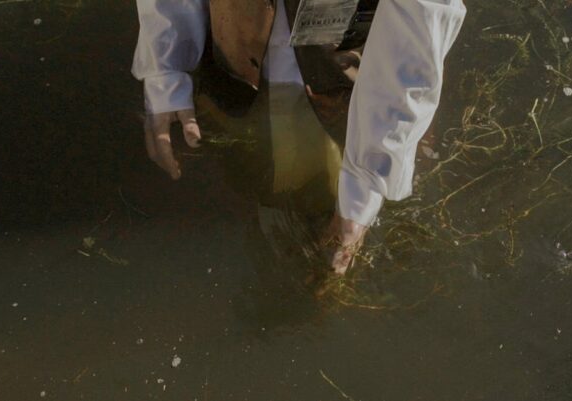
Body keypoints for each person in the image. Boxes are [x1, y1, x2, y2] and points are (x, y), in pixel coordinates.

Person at [132, 0, 467, 274]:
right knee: (241, 188)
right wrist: (166, 66)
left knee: (341, 214)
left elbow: (422, 20)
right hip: (234, 55)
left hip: (355, 80)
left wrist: (366, 185)